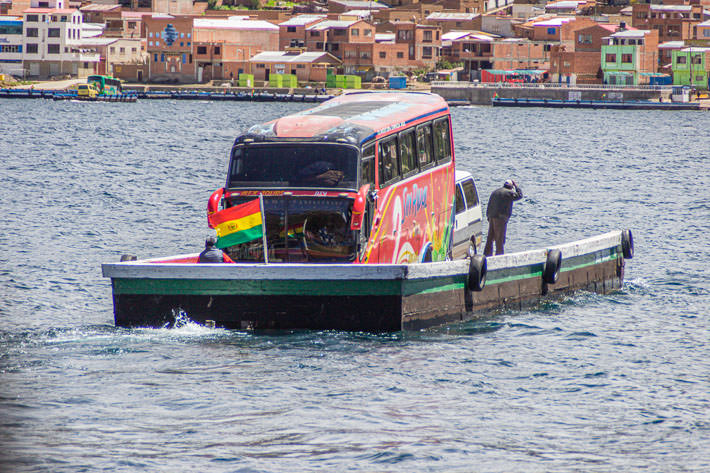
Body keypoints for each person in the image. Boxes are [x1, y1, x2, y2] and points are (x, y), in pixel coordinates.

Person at [483, 180, 523, 256]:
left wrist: (488, 217)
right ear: (511, 187)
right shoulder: (509, 193)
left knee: (490, 238)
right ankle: (499, 258)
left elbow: (489, 204)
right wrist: (516, 186)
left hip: (491, 216)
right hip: (500, 218)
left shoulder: (495, 192)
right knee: (499, 240)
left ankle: (486, 256)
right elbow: (520, 195)